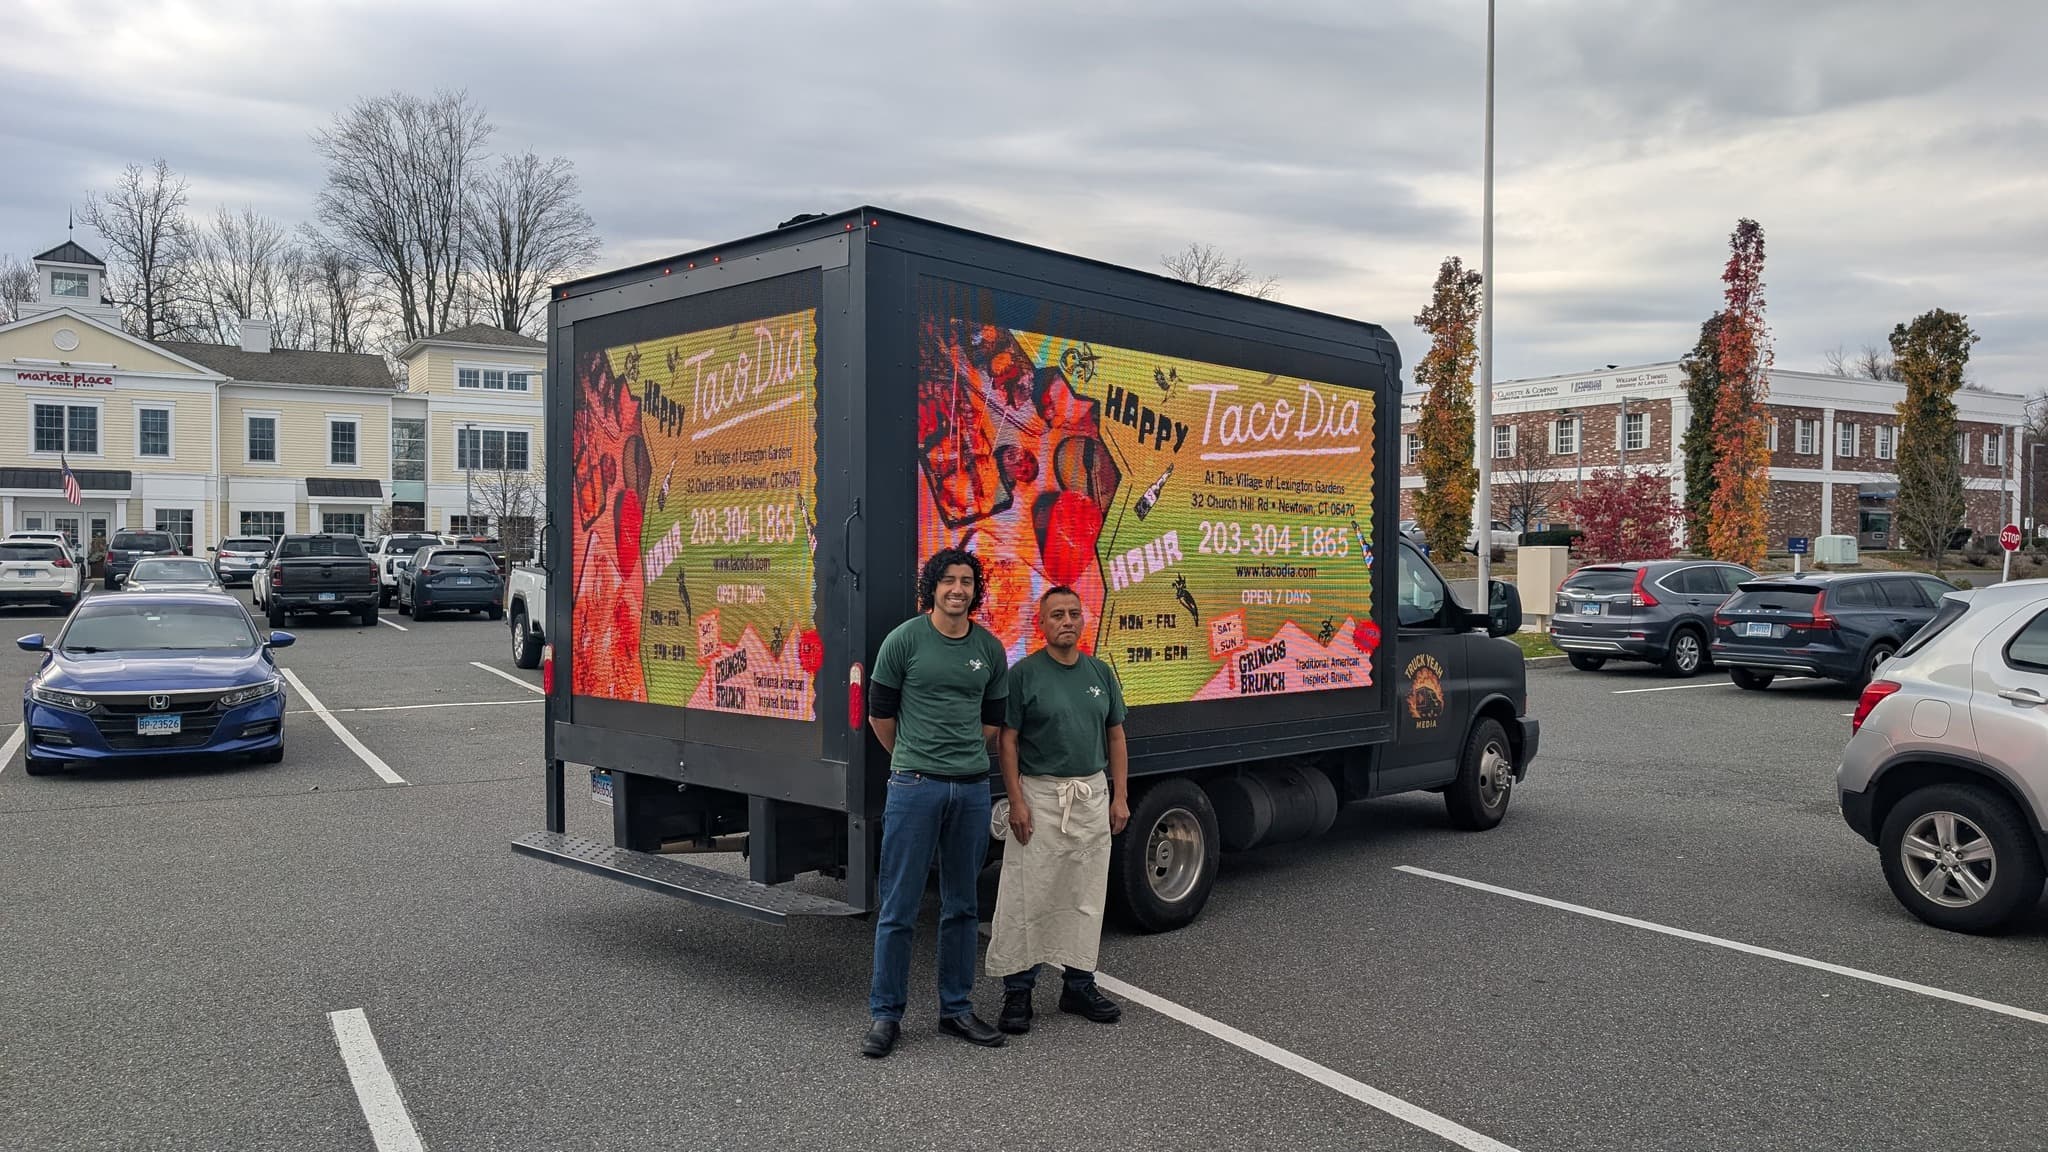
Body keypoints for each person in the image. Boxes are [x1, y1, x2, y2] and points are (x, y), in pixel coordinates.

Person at [862, 547, 1011, 1058]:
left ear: (975, 590)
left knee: (962, 905)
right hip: (913, 786)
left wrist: (961, 758)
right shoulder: (904, 641)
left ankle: (956, 1008)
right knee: (899, 907)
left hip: (970, 789)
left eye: (966, 581)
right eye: (948, 580)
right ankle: (886, 1015)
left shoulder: (989, 649)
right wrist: (912, 755)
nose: (957, 589)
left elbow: (991, 721)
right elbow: (881, 713)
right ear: (933, 587)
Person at [985, 586, 1130, 1035]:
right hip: (1041, 798)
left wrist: (1119, 795)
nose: (1066, 621)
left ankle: (1079, 984)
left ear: (1082, 620)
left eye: (1073, 614)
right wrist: (1018, 802)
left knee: (1083, 893)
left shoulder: (1100, 673)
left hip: (1089, 796)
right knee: (1030, 893)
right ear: (1041, 624)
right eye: (1056, 615)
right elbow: (1007, 741)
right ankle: (1018, 991)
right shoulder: (1024, 675)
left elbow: (1116, 736)